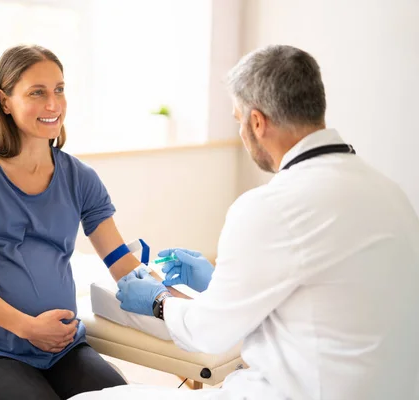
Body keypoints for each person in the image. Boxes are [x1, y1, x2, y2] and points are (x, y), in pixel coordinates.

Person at [70, 45, 419, 400]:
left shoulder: (270, 207)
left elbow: (208, 334)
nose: (240, 132)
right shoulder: (390, 193)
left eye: (238, 120)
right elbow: (322, 296)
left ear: (257, 121)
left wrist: (157, 300)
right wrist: (217, 284)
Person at [0, 44, 152, 400]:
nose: (53, 104)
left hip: (61, 349)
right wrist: (28, 327)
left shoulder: (79, 177)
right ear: (4, 101)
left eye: (59, 90)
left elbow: (120, 262)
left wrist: (171, 300)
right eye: (37, 93)